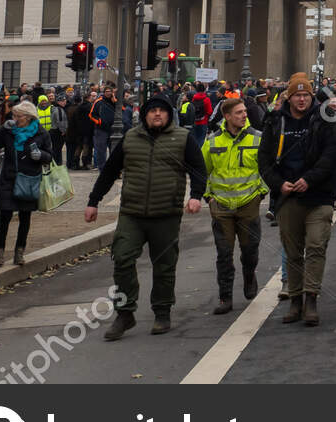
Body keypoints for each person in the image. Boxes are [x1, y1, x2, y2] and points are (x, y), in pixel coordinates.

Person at [84, 92, 206, 338]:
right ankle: (125, 313)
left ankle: (162, 311)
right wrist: (93, 201)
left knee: (164, 266)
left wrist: (196, 195)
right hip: (132, 212)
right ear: (145, 115)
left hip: (166, 213)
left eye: (162, 110)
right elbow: (109, 171)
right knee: (122, 258)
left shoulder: (182, 138)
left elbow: (198, 169)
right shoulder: (130, 138)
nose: (157, 114)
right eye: (152, 111)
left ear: (169, 114)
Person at [258, 73, 336, 326]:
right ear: (289, 97)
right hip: (288, 195)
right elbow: (264, 160)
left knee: (316, 246)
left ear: (312, 96)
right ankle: (295, 299)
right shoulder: (275, 121)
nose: (302, 99)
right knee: (293, 252)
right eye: (297, 95)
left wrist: (311, 179)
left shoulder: (325, 119)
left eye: (306, 95)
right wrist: (278, 184)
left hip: (318, 194)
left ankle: (311, 297)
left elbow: (331, 153)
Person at [200, 96, 266, 314]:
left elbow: (268, 167)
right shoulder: (213, 141)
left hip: (248, 202)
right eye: (239, 112)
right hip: (221, 205)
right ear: (227, 117)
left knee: (249, 249)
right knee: (224, 252)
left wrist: (261, 192)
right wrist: (207, 196)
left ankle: (249, 275)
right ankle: (225, 296)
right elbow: (202, 171)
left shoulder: (257, 138)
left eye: (245, 111)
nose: (244, 115)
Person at [0, 99, 53, 268]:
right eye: (14, 115)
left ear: (29, 117)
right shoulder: (9, 131)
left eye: (18, 116)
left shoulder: (41, 133)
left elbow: (50, 156)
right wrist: (2, 129)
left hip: (29, 179)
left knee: (25, 217)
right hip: (9, 178)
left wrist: (41, 156)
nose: (15, 118)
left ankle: (19, 252)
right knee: (5, 215)